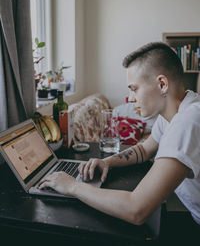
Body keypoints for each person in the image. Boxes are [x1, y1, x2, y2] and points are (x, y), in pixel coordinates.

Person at [39, 42, 200, 233]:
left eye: (134, 88)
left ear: (162, 84)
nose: (130, 98)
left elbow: (137, 210)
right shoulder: (175, 112)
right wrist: (107, 162)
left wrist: (72, 186)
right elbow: (144, 149)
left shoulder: (187, 122)